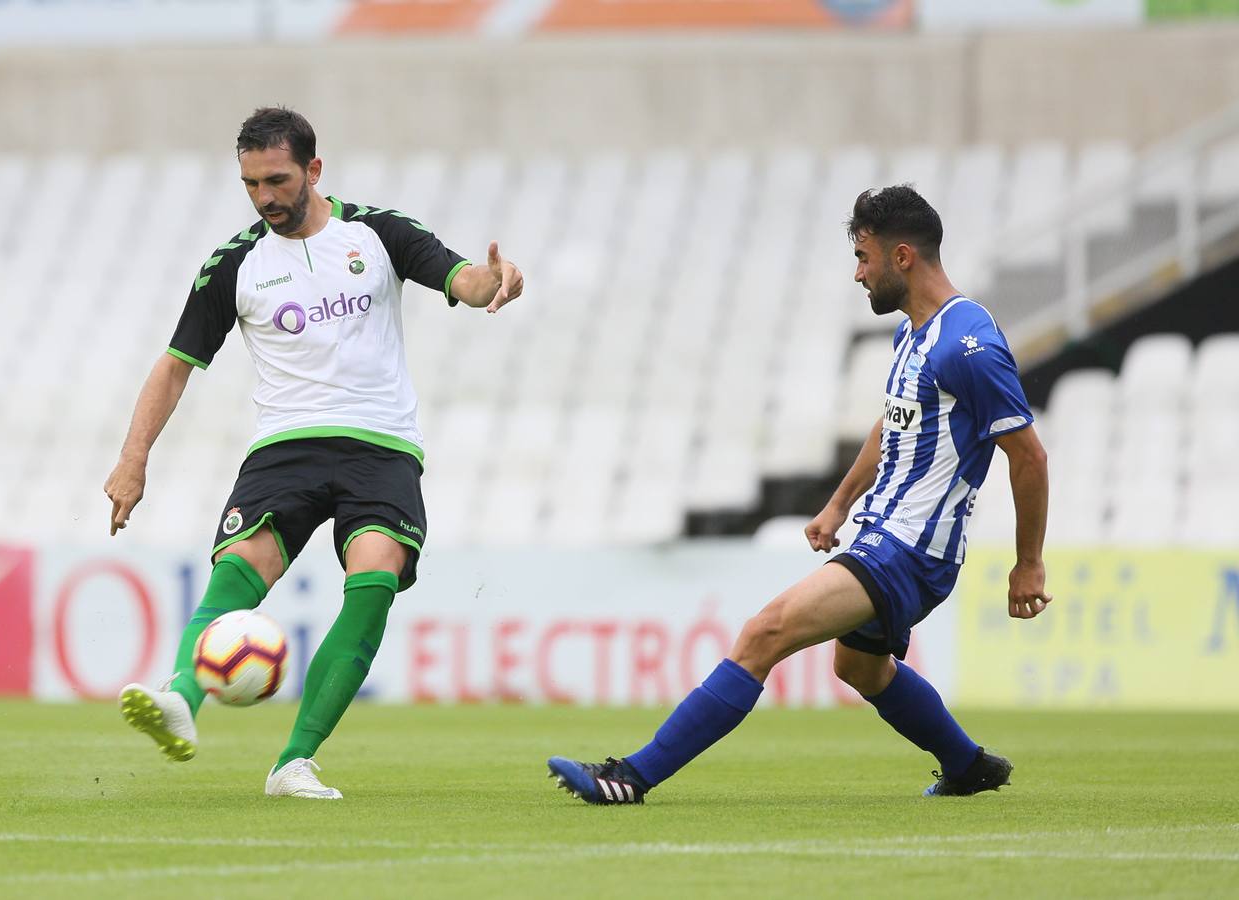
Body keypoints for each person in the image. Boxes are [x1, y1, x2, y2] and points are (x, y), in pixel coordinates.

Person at [546, 185, 1050, 804]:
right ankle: (966, 765)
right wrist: (840, 503)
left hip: (911, 549)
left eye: (864, 256)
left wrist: (1028, 564)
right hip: (882, 534)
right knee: (858, 668)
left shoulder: (966, 343)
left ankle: (628, 777)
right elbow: (893, 424)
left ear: (902, 258)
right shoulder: (912, 337)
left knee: (765, 632)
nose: (857, 273)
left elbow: (1027, 455)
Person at [107, 106, 523, 799]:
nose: (265, 198)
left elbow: (461, 279)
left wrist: (497, 282)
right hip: (285, 446)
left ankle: (293, 761)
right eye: (250, 184)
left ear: (314, 170)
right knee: (238, 572)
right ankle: (181, 698)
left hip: (380, 445)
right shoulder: (234, 263)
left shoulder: (379, 233)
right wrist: (132, 459)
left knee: (375, 580)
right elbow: (175, 364)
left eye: (277, 180)